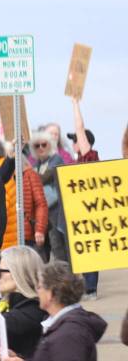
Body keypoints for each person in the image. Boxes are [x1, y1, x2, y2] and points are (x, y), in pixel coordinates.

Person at [69, 98, 100, 300]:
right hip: (81, 212)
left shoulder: (89, 157)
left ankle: (91, 288)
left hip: (91, 212)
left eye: (76, 140)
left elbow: (80, 129)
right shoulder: (77, 162)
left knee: (90, 249)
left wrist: (75, 104)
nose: (73, 143)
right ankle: (88, 287)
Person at [32, 131, 67, 262]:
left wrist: (31, 178)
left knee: (57, 245)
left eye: (43, 145)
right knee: (41, 248)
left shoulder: (56, 159)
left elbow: (44, 177)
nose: (40, 148)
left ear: (50, 144)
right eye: (36, 146)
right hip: (41, 212)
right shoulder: (36, 165)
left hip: (55, 210)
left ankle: (66, 278)